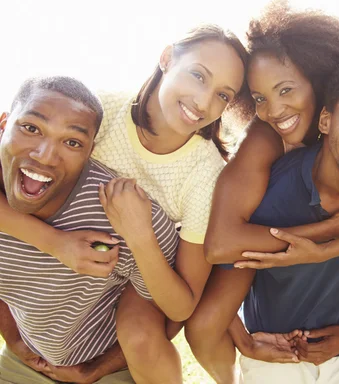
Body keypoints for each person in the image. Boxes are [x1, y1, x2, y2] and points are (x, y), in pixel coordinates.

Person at [185, 2, 339, 384]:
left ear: (318, 79)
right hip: (273, 227)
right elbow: (222, 244)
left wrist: (334, 251)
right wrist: (321, 233)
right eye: (258, 98)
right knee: (205, 325)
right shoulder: (265, 135)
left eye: (286, 89)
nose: (273, 109)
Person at [0, 25, 251, 384]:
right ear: (166, 58)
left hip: (147, 267)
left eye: (222, 95)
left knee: (139, 332)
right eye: (198, 75)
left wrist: (139, 234)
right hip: (71, 246)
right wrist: (54, 244)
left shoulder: (205, 175)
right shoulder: (101, 111)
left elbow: (181, 304)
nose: (203, 102)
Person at [0, 76, 179, 384]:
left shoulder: (122, 214)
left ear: (89, 151)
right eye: (31, 128)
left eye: (72, 142)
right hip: (26, 361)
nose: (44, 154)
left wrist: (95, 369)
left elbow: (168, 310)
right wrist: (12, 338)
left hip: (107, 368)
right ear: (4, 124)